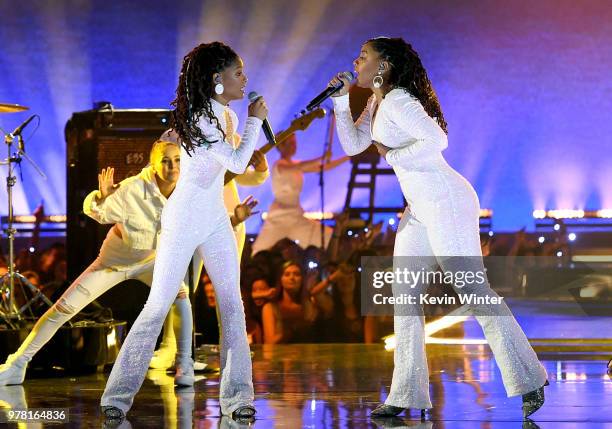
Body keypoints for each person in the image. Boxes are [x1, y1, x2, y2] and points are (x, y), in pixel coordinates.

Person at [329, 37, 548, 419]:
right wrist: (338, 101)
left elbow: (437, 139)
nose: (356, 61)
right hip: (419, 209)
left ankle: (529, 375)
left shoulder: (398, 100)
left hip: (446, 201)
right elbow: (352, 145)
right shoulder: (377, 101)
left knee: (473, 289)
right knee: (404, 295)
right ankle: (406, 393)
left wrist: (393, 154)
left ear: (383, 66)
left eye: (364, 57)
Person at [100, 41, 267, 422]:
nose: (245, 79)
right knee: (158, 305)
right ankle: (118, 394)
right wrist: (256, 119)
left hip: (214, 218)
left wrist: (248, 125)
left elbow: (227, 168)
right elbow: (238, 163)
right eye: (238, 73)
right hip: (183, 219)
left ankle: (238, 398)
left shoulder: (224, 115)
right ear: (217, 80)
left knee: (232, 305)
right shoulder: (202, 119)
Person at [0, 140, 197, 386]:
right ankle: (17, 364)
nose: (173, 166)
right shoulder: (133, 189)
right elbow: (98, 213)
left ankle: (184, 364)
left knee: (181, 296)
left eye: (177, 160)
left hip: (151, 261)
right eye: (166, 161)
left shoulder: (189, 190)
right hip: (113, 263)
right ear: (154, 165)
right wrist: (102, 197)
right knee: (63, 308)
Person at [150, 128, 268, 369]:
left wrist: (261, 168)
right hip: (187, 219)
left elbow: (246, 177)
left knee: (226, 288)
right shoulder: (174, 135)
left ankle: (232, 350)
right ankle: (170, 347)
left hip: (228, 219)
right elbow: (160, 173)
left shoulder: (230, 137)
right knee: (178, 285)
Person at [251, 133, 348, 254]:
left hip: (295, 215)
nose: (294, 146)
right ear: (281, 146)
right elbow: (301, 166)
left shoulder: (295, 165)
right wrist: (321, 157)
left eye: (295, 142)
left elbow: (324, 167)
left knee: (327, 237)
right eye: (291, 143)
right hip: (280, 216)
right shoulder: (279, 165)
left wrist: (349, 157)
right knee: (259, 251)